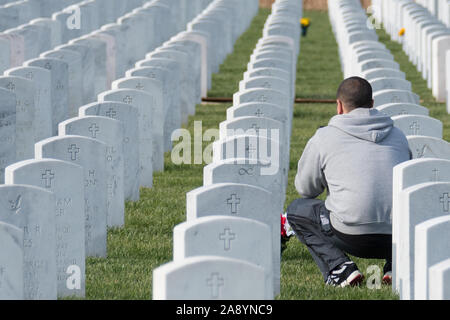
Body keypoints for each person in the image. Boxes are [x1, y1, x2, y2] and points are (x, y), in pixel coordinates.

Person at [282, 77, 411, 287]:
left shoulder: (324, 137)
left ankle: (339, 268)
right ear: (372, 103)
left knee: (298, 210)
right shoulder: (398, 135)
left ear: (339, 106)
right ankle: (395, 266)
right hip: (396, 235)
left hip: (349, 235)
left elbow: (306, 190)